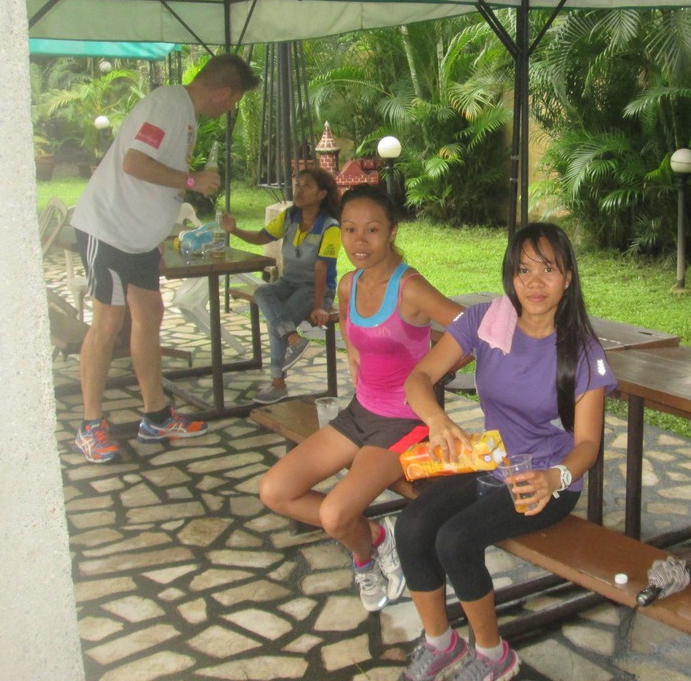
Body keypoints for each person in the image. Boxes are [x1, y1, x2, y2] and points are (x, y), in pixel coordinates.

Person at [395, 222, 616, 681]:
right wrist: (437, 419)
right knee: (412, 526)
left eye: (548, 269)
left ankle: (493, 655)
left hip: (547, 479)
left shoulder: (582, 350)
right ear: (510, 276)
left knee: (456, 540)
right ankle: (441, 644)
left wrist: (555, 478)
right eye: (523, 270)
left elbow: (588, 445)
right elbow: (419, 378)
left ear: (568, 277)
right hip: (492, 461)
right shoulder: (485, 321)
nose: (534, 282)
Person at [257, 184, 461, 612]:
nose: (359, 241)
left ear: (392, 231)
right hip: (359, 413)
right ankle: (377, 538)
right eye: (350, 229)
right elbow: (353, 334)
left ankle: (364, 557)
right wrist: (354, 356)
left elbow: (471, 328)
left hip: (404, 423)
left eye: (372, 229)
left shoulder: (410, 288)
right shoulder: (349, 284)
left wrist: (433, 370)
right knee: (275, 491)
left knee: (335, 515)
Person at [69, 53, 260, 464]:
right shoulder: (168, 105)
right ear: (224, 92)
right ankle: (90, 426)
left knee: (150, 313)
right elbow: (135, 163)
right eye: (235, 101)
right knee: (108, 322)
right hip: (108, 230)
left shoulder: (185, 114)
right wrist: (192, 180)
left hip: (138, 239)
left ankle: (156, 416)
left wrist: (158, 233)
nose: (231, 109)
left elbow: (154, 178)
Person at [221, 169, 341, 403]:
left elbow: (321, 268)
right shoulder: (289, 217)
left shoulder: (330, 227)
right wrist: (234, 230)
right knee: (262, 291)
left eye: (307, 186)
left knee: (276, 319)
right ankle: (293, 337)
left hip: (316, 288)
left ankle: (278, 383)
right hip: (288, 282)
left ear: (322, 194)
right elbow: (261, 237)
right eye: (298, 185)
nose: (299, 191)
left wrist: (319, 306)